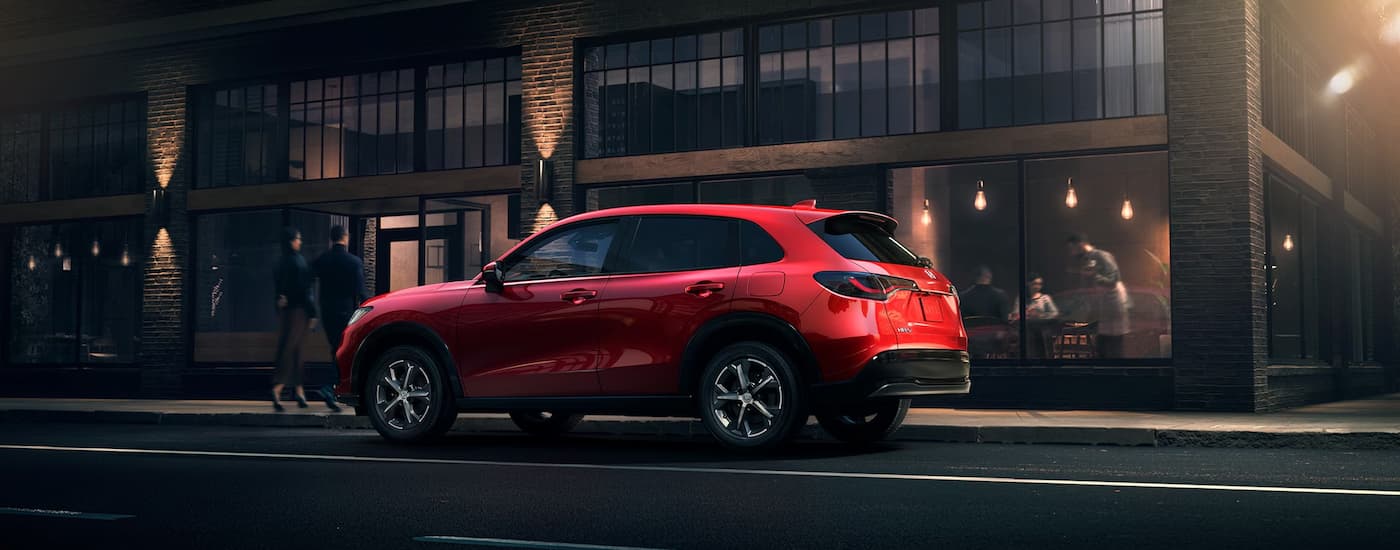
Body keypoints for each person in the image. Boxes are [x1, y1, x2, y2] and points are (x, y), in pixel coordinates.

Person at [311, 225, 368, 412]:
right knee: (342, 349)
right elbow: (361, 291)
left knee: (336, 348)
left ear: (331, 239)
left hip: (327, 312)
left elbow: (307, 279)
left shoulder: (322, 260)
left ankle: (334, 388)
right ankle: (331, 387)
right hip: (346, 313)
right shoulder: (353, 262)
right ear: (345, 238)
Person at [271, 227, 319, 412]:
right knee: (293, 349)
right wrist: (313, 313)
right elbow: (305, 290)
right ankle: (278, 388)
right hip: (300, 311)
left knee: (293, 348)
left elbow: (279, 289)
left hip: (286, 311)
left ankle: (299, 391)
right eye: (298, 239)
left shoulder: (280, 262)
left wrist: (280, 300)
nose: (300, 242)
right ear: (291, 241)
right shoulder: (298, 262)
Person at [1067, 233, 1131, 359]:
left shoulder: (1101, 256)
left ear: (1080, 244)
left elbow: (1113, 279)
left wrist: (1094, 276)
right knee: (1102, 350)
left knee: (1112, 350)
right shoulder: (1087, 260)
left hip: (1112, 310)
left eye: (1072, 248)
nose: (1071, 253)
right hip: (1102, 312)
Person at [958, 265, 1012, 358]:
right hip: (995, 339)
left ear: (975, 278)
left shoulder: (963, 296)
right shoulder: (1000, 295)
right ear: (989, 276)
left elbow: (960, 320)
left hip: (971, 340)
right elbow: (1005, 320)